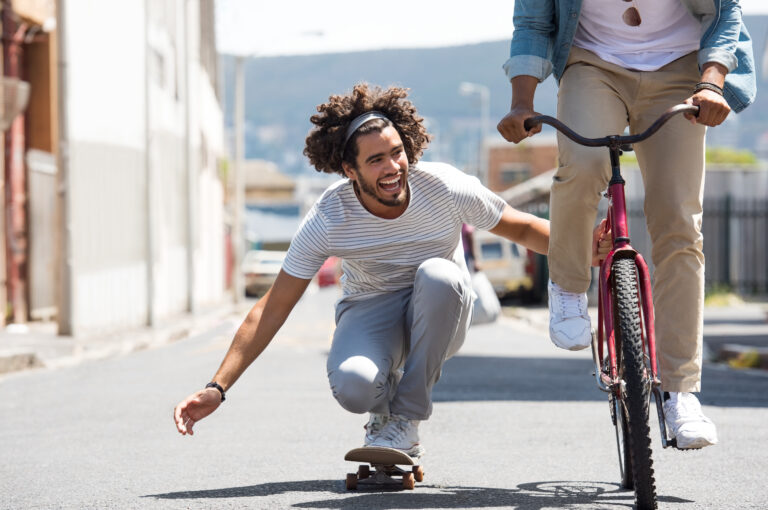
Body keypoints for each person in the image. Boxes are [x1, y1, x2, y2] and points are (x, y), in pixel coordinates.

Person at [173, 83, 607, 456]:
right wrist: (218, 387)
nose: (393, 168)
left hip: (442, 305)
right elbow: (272, 308)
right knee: (354, 387)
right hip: (370, 309)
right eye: (376, 159)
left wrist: (582, 250)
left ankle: (405, 420)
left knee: (440, 274)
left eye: (397, 153)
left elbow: (522, 226)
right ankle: (382, 411)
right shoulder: (329, 217)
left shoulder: (443, 186)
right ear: (349, 170)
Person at [497, 0, 756, 450]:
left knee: (680, 224)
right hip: (592, 63)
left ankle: (682, 394)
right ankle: (569, 287)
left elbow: (724, 11)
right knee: (582, 163)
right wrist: (522, 103)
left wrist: (711, 84)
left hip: (680, 67)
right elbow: (534, 22)